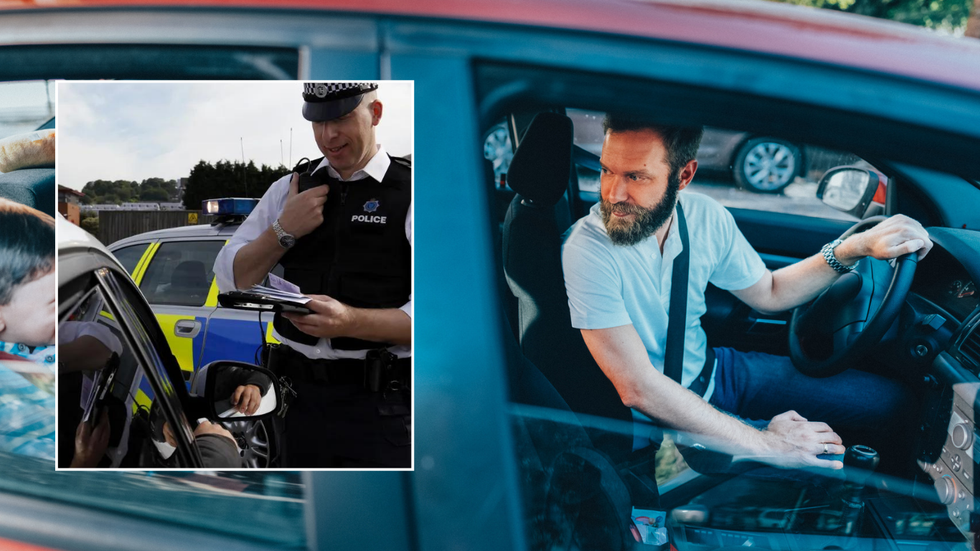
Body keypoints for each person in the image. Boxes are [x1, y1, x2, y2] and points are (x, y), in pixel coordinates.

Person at [561, 114, 930, 470]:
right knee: (828, 466)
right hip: (659, 420)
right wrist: (769, 444)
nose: (613, 193)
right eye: (606, 170)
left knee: (893, 403)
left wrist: (853, 248)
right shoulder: (587, 249)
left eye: (635, 176)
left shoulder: (705, 217)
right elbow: (638, 387)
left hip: (717, 373)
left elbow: (770, 292)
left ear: (684, 175)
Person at [214, 82, 412, 468]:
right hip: (294, 402)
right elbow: (231, 279)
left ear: (375, 113)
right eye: (317, 122)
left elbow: (440, 319)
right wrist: (283, 230)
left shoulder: (412, 192)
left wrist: (349, 321)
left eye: (341, 118)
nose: (328, 135)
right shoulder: (289, 189)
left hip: (381, 407)